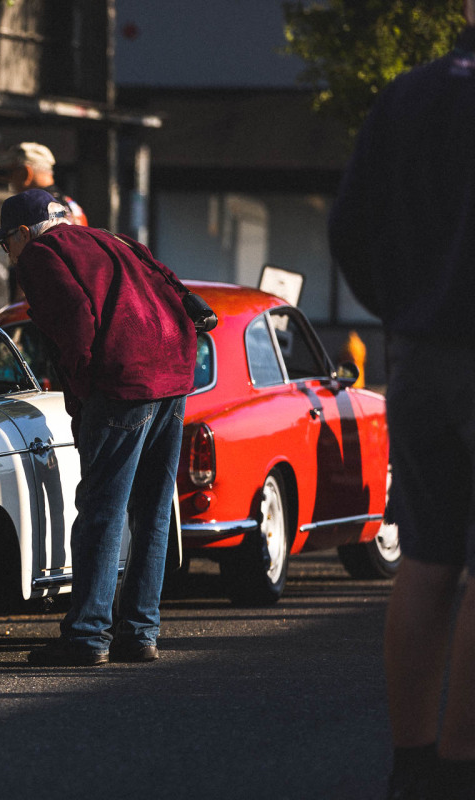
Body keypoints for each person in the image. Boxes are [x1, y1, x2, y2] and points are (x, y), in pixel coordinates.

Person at [328, 8, 475, 799]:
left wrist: (404, 308)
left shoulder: (407, 97)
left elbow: (349, 229)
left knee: (426, 556)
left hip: (418, 353)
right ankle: (462, 766)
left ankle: (414, 765)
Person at [0, 188, 196, 666]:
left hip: (124, 382)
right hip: (173, 375)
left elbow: (77, 322)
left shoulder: (41, 255)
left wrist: (81, 392)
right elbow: (174, 290)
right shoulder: (111, 239)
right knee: (153, 510)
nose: (9, 255)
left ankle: (87, 636)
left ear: (23, 233)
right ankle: (140, 632)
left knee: (102, 509)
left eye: (6, 244)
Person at [0, 142, 88, 302]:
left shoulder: (33, 211)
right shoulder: (73, 206)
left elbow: (30, 262)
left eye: (11, 172)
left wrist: (20, 307)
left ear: (26, 173)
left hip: (38, 307)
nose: (9, 179)